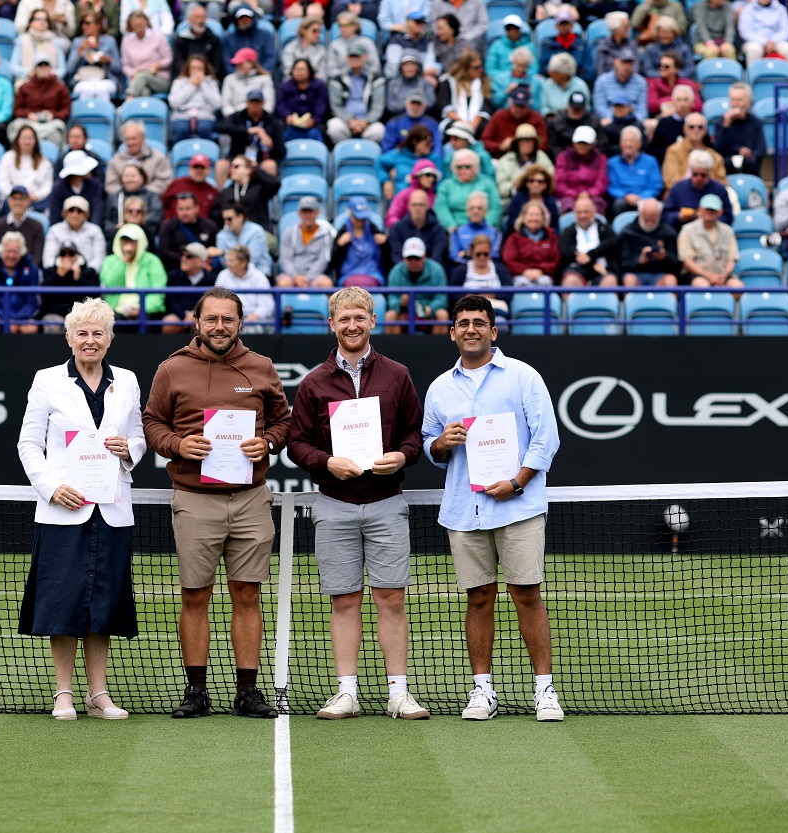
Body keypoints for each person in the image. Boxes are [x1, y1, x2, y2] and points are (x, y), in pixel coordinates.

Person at [141, 286, 291, 719]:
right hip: (194, 499)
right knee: (195, 594)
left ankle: (247, 691)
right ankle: (196, 691)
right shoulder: (172, 369)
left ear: (240, 323)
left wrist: (267, 442)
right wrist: (176, 445)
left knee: (247, 593)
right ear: (197, 321)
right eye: (212, 319)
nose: (220, 326)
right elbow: (151, 422)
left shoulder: (260, 367)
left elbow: (284, 420)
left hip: (249, 499)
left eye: (228, 319)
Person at [285, 286, 430, 720]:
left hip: (387, 501)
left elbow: (413, 435)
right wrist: (328, 462)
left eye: (359, 318)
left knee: (391, 599)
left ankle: (399, 694)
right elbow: (296, 443)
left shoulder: (398, 375)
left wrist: (401, 456)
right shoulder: (313, 382)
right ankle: (347, 693)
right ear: (332, 324)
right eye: (343, 319)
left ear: (371, 321)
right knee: (344, 600)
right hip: (334, 503)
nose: (352, 325)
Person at [422, 294, 564, 723]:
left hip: (517, 507)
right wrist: (440, 445)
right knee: (479, 598)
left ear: (493, 330)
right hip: (466, 511)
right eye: (463, 323)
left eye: (479, 322)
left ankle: (545, 691)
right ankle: (483, 690)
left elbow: (547, 438)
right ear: (452, 333)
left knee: (527, 595)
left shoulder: (523, 376)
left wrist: (517, 482)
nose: (471, 329)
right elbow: (429, 444)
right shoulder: (439, 388)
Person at [17, 298, 146, 722]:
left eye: (98, 333)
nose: (90, 340)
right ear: (69, 337)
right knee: (63, 601)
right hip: (62, 511)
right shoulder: (47, 380)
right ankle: (63, 694)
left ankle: (98, 694)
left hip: (111, 509)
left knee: (102, 602)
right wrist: (52, 488)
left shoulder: (126, 381)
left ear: (110, 339)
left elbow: (138, 436)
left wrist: (131, 450)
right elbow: (29, 445)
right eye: (82, 333)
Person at [99, 223, 166, 318]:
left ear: (140, 242)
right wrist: (123, 261)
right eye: (124, 240)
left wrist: (142, 308)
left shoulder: (152, 261)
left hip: (144, 310)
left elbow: (158, 292)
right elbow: (110, 284)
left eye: (132, 241)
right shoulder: (109, 261)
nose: (128, 244)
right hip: (116, 310)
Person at [0, 231, 43, 331]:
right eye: (8, 251)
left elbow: (33, 301)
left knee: (31, 328)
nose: (11, 255)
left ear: (21, 253)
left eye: (15, 252)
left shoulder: (32, 270)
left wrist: (17, 320)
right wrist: (4, 319)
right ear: (1, 251)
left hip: (22, 318)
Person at [384, 237, 449, 331]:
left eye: (417, 258)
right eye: (410, 258)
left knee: (442, 314)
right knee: (390, 316)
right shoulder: (395, 272)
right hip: (404, 314)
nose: (413, 261)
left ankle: (438, 346)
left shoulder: (437, 270)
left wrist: (431, 308)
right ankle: (393, 346)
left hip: (429, 315)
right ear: (404, 258)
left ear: (424, 256)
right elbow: (391, 299)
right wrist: (400, 303)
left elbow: (442, 298)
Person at [678, 193, 742, 288]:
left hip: (722, 275)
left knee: (738, 287)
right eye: (707, 209)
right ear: (700, 210)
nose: (709, 212)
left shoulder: (728, 231)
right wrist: (709, 276)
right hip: (696, 275)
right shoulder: (687, 230)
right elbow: (687, 262)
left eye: (713, 210)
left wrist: (724, 275)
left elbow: (731, 259)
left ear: (720, 212)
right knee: (703, 286)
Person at [217, 89, 286, 178]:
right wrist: (247, 130)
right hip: (237, 159)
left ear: (263, 103)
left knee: (270, 165)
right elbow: (220, 127)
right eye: (252, 102)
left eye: (257, 102)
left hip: (260, 161)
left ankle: (269, 192)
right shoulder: (238, 116)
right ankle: (223, 192)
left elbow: (282, 152)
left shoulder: (272, 121)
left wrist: (271, 145)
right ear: (247, 103)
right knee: (221, 164)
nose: (254, 105)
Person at [327, 44, 387, 145]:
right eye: (352, 56)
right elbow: (336, 106)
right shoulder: (337, 79)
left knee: (379, 130)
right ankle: (344, 154)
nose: (355, 59)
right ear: (346, 58)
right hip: (345, 121)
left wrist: (366, 121)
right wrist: (350, 120)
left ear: (365, 57)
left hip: (367, 122)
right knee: (334, 126)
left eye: (358, 56)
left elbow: (378, 106)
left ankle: (365, 155)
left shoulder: (376, 78)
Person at [10, 56, 72, 147]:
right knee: (15, 127)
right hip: (29, 122)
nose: (43, 68)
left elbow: (66, 110)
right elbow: (17, 109)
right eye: (40, 66)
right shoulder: (25, 87)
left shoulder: (60, 87)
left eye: (46, 66)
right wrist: (28, 114)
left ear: (50, 68)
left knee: (57, 131)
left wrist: (53, 114)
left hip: (51, 123)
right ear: (34, 69)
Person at [559, 193, 619, 287]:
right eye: (579, 212)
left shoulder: (604, 228)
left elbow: (611, 243)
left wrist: (590, 255)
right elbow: (566, 250)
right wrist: (591, 264)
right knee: (570, 281)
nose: (583, 216)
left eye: (586, 212)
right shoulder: (568, 231)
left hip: (602, 268)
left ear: (594, 212)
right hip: (577, 268)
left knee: (610, 281)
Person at [617, 197, 680, 287]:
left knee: (671, 280)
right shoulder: (627, 232)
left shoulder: (669, 232)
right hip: (635, 273)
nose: (650, 223)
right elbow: (622, 263)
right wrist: (639, 261)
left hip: (660, 274)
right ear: (640, 214)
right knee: (629, 280)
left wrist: (665, 257)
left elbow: (676, 265)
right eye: (647, 219)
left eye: (654, 219)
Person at [663, 150, 732, 229]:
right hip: (682, 232)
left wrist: (710, 218)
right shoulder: (678, 188)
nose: (699, 178)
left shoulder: (719, 190)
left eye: (703, 175)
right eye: (695, 174)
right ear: (690, 172)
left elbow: (728, 218)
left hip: (713, 233)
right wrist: (678, 216)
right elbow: (666, 215)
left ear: (709, 173)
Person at [435, 149, 501, 231]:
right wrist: (450, 226)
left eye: (467, 166)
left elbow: (496, 207)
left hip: (483, 228)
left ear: (476, 167)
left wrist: (486, 225)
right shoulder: (446, 185)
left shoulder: (488, 184)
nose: (463, 170)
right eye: (459, 167)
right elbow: (441, 207)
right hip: (455, 229)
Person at [277, 196, 334, 288]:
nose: (307, 215)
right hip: (292, 275)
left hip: (315, 276)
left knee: (326, 284)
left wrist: (307, 277)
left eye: (310, 211)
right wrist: (295, 276)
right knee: (284, 283)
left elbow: (323, 260)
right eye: (304, 211)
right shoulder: (289, 233)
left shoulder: (326, 234)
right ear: (299, 213)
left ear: (317, 212)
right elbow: (285, 258)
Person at [67, 10, 126, 100]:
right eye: (82, 23)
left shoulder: (109, 41)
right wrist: (79, 52)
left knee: (102, 88)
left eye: (88, 23)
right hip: (83, 79)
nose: (84, 26)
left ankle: (105, 113)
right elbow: (69, 70)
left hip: (105, 79)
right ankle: (84, 113)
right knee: (87, 88)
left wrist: (109, 61)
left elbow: (119, 69)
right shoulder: (77, 42)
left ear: (98, 26)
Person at [661, 113, 727, 192]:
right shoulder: (674, 151)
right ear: (685, 129)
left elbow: (723, 183)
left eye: (700, 127)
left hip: (708, 196)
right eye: (691, 127)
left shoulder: (715, 157)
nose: (696, 130)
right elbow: (670, 181)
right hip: (681, 195)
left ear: (705, 130)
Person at [712, 83, 767, 177]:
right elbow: (717, 151)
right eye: (733, 100)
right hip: (727, 167)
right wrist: (725, 126)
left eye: (739, 100)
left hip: (750, 166)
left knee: (752, 162)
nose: (736, 103)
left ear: (748, 102)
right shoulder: (721, 122)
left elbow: (761, 149)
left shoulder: (755, 122)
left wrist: (750, 153)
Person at [40, 243, 101, 328]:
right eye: (63, 254)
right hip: (56, 313)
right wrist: (58, 276)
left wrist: (79, 279)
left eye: (71, 253)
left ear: (77, 255)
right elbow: (44, 295)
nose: (67, 257)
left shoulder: (88, 271)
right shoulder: (51, 271)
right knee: (52, 324)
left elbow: (95, 296)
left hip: (82, 314)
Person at [332, 197, 388, 287]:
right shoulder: (342, 233)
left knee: (367, 284)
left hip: (373, 274)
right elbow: (333, 264)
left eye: (363, 218)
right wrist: (339, 246)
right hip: (348, 275)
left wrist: (385, 244)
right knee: (355, 286)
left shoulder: (375, 231)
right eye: (357, 217)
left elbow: (388, 261)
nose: (361, 221)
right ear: (350, 214)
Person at [105, 122, 173, 196]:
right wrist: (126, 193)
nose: (130, 142)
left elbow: (164, 182)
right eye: (127, 139)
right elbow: (110, 185)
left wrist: (143, 193)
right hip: (123, 202)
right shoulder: (115, 160)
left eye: (134, 138)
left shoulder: (158, 158)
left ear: (143, 138)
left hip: (151, 201)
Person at [211, 158, 279, 233]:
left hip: (259, 231)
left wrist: (256, 168)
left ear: (248, 169)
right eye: (231, 166)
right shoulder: (225, 192)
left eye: (236, 166)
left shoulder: (259, 188)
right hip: (233, 232)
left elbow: (275, 183)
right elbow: (215, 214)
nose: (232, 169)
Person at [607, 126, 662, 217]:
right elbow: (612, 187)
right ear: (620, 143)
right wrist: (625, 196)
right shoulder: (612, 163)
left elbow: (656, 186)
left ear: (639, 144)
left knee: (653, 204)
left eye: (632, 141)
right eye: (625, 141)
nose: (628, 144)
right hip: (623, 200)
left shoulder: (651, 161)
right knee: (618, 204)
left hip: (645, 199)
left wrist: (641, 197)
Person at [435, 52, 493, 138]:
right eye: (476, 68)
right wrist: (461, 122)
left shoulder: (484, 83)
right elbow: (444, 105)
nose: (480, 70)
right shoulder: (449, 81)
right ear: (465, 69)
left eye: (481, 66)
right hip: (455, 120)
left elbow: (486, 106)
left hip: (476, 124)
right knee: (455, 130)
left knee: (485, 128)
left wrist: (475, 121)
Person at [161, 242, 215, 332]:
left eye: (188, 257)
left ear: (200, 261)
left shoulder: (212, 279)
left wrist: (196, 315)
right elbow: (170, 301)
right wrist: (185, 315)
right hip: (179, 316)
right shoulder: (173, 276)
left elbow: (212, 304)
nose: (183, 259)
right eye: (183, 255)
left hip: (203, 317)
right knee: (170, 321)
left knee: (210, 323)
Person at [215, 244, 274, 327]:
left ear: (243, 263)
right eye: (227, 260)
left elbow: (267, 305)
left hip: (254, 321)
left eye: (231, 261)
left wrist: (257, 314)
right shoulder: (223, 275)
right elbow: (216, 301)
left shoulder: (259, 277)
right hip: (228, 320)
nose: (227, 263)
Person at [554, 125, 608, 214]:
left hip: (593, 196)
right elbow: (560, 183)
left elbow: (602, 181)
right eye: (579, 143)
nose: (582, 146)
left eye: (586, 143)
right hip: (568, 196)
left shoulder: (600, 158)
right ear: (574, 143)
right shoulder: (563, 158)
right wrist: (576, 195)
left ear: (592, 144)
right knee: (567, 207)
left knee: (598, 205)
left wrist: (589, 194)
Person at [503, 202, 560, 287]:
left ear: (543, 218)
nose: (534, 218)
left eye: (537, 215)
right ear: (523, 217)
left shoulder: (552, 238)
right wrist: (524, 271)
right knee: (522, 284)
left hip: (544, 275)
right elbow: (509, 260)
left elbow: (555, 260)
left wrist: (541, 271)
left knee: (545, 283)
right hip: (520, 276)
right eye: (530, 215)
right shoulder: (514, 238)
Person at [388, 187, 448, 267]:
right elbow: (397, 258)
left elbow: (437, 259)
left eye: (421, 205)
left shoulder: (438, 229)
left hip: (431, 274)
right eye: (414, 204)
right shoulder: (397, 229)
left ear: (428, 206)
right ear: (408, 206)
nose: (417, 208)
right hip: (404, 273)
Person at [0, 125, 56, 210]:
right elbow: (3, 183)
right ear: (18, 140)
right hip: (12, 201)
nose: (27, 141)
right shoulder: (7, 158)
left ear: (35, 141)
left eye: (30, 138)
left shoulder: (45, 162)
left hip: (36, 202)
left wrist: (37, 196)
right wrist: (18, 196)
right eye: (24, 138)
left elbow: (47, 186)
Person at [158, 191, 219, 269]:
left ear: (196, 208)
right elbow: (164, 251)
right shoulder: (168, 227)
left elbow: (216, 248)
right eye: (181, 209)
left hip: (205, 271)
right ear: (176, 210)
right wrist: (189, 260)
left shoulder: (210, 226)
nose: (184, 212)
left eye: (188, 208)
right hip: (178, 271)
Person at [45, 195, 107, 271]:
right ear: (64, 213)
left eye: (79, 211)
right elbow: (48, 260)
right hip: (59, 273)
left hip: (87, 275)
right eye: (71, 210)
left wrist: (84, 272)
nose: (75, 215)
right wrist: (61, 268)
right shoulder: (54, 230)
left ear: (86, 215)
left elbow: (99, 259)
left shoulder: (95, 231)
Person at [168, 55, 222, 143]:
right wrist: (190, 86)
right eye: (193, 68)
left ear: (205, 69)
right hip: (182, 115)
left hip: (205, 115)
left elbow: (217, 104)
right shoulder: (179, 82)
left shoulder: (211, 82)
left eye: (199, 68)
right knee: (181, 129)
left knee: (204, 128)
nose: (196, 71)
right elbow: (173, 103)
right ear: (188, 69)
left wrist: (204, 85)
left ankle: (208, 154)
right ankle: (180, 154)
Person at [494, 123, 553, 203]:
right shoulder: (506, 161)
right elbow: (502, 189)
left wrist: (537, 184)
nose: (527, 143)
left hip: (540, 200)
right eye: (523, 141)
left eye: (530, 141)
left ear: (534, 143)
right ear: (517, 143)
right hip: (511, 202)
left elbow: (551, 181)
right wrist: (518, 182)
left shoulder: (542, 158)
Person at [481, 87, 547, 158]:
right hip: (501, 157)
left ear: (529, 105)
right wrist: (500, 146)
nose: (519, 110)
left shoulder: (536, 118)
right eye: (516, 106)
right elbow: (484, 141)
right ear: (510, 103)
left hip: (530, 159)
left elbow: (544, 144)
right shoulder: (499, 116)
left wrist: (527, 147)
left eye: (522, 106)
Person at [120, 9, 172, 98]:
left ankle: (128, 100)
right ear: (130, 26)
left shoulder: (159, 37)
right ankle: (145, 110)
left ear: (146, 22)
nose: (138, 28)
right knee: (143, 89)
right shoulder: (126, 41)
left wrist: (159, 64)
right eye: (135, 26)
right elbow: (125, 65)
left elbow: (169, 58)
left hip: (159, 78)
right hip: (136, 78)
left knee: (143, 76)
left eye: (140, 25)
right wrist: (133, 73)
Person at [377, 124, 437, 202]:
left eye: (431, 142)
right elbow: (379, 162)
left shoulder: (433, 158)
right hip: (399, 200)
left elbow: (439, 182)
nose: (430, 145)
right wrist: (386, 181)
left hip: (423, 202)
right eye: (427, 142)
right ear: (415, 142)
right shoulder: (399, 154)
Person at [275, 58, 330, 143]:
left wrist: (314, 119)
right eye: (295, 69)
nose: (298, 72)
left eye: (301, 69)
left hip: (313, 124)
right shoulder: (285, 86)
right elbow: (280, 105)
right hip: (290, 124)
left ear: (309, 71)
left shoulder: (319, 86)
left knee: (317, 132)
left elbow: (322, 106)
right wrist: (287, 116)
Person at [105, 166, 162, 242]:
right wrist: (116, 229)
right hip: (118, 238)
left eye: (133, 176)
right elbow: (106, 220)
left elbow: (155, 217)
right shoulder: (114, 197)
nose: (129, 179)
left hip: (145, 237)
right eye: (126, 176)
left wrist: (134, 225)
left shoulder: (151, 196)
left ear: (142, 178)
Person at [215, 200, 272, 275]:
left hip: (259, 274)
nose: (226, 223)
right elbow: (225, 263)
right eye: (224, 219)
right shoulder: (221, 235)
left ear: (241, 217)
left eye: (229, 219)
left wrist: (224, 254)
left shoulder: (256, 231)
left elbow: (250, 260)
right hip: (233, 276)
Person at [0, 185, 47, 266]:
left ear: (28, 201)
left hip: (28, 270)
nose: (18, 202)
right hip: (4, 270)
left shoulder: (37, 226)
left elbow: (37, 256)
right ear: (9, 201)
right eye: (14, 198)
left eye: (21, 199)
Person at [592, 49, 647, 128]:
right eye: (624, 63)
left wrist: (633, 121)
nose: (627, 67)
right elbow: (599, 107)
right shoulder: (602, 81)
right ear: (616, 62)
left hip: (633, 121)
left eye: (630, 63)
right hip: (611, 121)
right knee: (603, 122)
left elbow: (642, 109)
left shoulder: (641, 82)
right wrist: (616, 119)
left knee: (649, 124)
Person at [739, 0, 788, 72]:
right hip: (755, 41)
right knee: (754, 49)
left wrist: (773, 41)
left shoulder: (781, 9)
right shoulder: (748, 9)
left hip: (776, 42)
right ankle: (752, 80)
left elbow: (786, 31)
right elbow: (745, 32)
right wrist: (764, 42)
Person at [502, 164, 559, 238]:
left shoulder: (551, 202)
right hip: (520, 238)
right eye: (531, 181)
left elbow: (555, 227)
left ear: (546, 184)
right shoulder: (518, 198)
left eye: (540, 181)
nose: (535, 184)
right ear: (526, 183)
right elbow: (512, 223)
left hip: (545, 239)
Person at [536, 11, 590, 87]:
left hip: (576, 83)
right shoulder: (547, 45)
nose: (564, 27)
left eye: (567, 23)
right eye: (561, 24)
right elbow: (543, 68)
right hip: (553, 82)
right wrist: (558, 76)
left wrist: (569, 79)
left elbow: (588, 70)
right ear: (556, 26)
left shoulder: (582, 45)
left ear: (572, 25)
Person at [50, 149, 104, 225]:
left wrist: (92, 231)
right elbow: (55, 217)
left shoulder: (94, 185)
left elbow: (97, 212)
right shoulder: (58, 188)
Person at [222, 6, 278, 77]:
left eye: (247, 17)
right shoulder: (229, 38)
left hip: (261, 76)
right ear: (236, 20)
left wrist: (260, 73)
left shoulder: (265, 35)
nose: (244, 20)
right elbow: (227, 62)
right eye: (241, 18)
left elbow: (271, 58)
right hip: (237, 79)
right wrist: (237, 76)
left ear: (253, 18)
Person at [448, 191, 501, 265]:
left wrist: (467, 255)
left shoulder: (495, 233)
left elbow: (495, 256)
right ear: (467, 211)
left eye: (479, 208)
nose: (475, 211)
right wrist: (480, 257)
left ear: (486, 211)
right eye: (472, 208)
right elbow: (453, 257)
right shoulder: (457, 232)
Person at [386, 158, 441, 227]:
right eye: (428, 175)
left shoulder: (436, 197)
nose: (431, 179)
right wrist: (402, 230)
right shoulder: (404, 195)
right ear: (418, 176)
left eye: (434, 176)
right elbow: (392, 217)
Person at [173, 4, 225, 78]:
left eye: (203, 17)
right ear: (189, 19)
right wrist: (190, 76)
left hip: (208, 79)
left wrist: (204, 77)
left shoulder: (214, 39)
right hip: (186, 78)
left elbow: (217, 64)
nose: (201, 20)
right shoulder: (181, 40)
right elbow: (178, 62)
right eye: (197, 17)